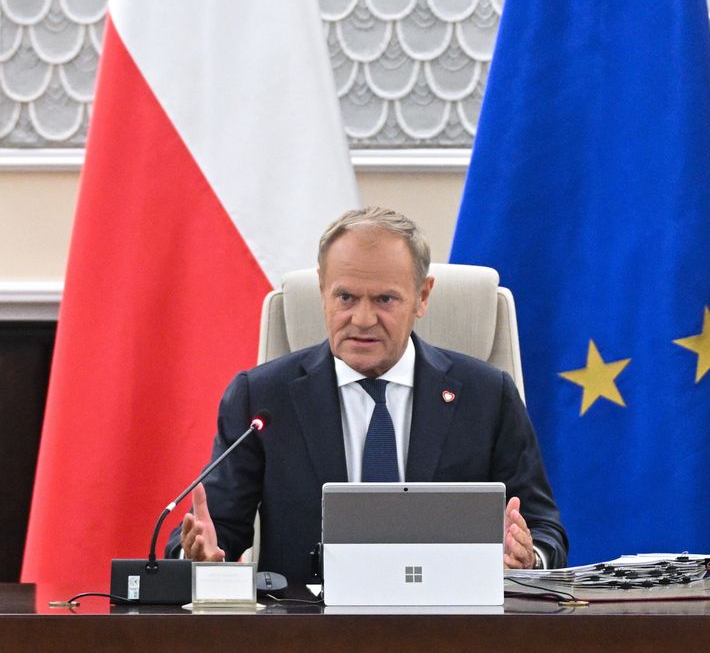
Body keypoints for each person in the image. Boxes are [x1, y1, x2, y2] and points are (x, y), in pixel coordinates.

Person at [167, 207, 567, 584]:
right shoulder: (262, 398)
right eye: (345, 297)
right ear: (323, 292)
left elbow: (544, 529)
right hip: (308, 634)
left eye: (384, 299)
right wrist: (196, 556)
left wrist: (528, 557)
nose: (361, 319)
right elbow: (215, 530)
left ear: (423, 297)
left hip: (450, 628)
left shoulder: (486, 396)